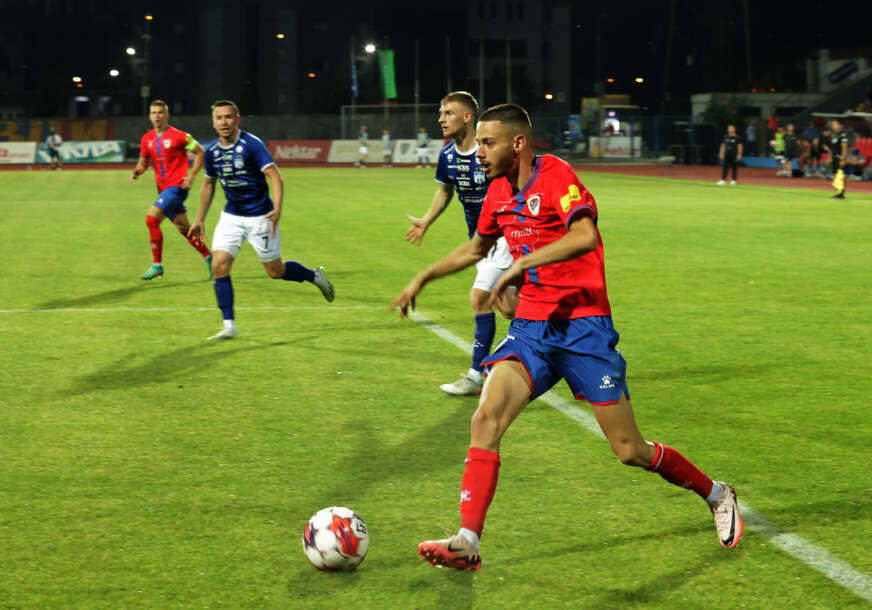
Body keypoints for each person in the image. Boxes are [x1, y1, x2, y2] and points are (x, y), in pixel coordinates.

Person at [392, 103, 743, 571]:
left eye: (488, 143)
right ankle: (467, 540)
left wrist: (521, 263)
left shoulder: (555, 174)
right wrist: (424, 277)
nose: (480, 152)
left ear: (518, 143)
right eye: (479, 143)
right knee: (485, 419)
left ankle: (717, 493)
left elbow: (585, 236)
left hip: (584, 328)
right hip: (532, 329)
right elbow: (476, 247)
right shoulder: (497, 191)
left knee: (629, 451)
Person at [188, 100, 335, 340]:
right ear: (213, 122)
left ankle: (313, 276)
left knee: (275, 271)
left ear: (237, 119)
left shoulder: (252, 145)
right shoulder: (212, 151)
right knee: (219, 265)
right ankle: (229, 325)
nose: (224, 122)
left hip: (260, 217)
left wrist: (277, 208)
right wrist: (199, 219)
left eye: (228, 117)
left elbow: (275, 176)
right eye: (219, 118)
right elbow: (208, 184)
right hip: (231, 216)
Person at [404, 91, 515, 396]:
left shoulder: (488, 149)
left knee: (479, 299)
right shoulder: (447, 156)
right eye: (441, 113)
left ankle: (477, 374)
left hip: (504, 236)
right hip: (478, 241)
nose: (441, 119)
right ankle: (547, 337)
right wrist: (426, 220)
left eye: (448, 113)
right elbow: (445, 191)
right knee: (509, 309)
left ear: (467, 117)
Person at [131, 99, 211, 280]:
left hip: (177, 187)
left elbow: (200, 152)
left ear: (167, 115)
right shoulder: (147, 139)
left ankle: (157, 265)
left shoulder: (179, 136)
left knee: (151, 220)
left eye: (160, 112)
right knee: (184, 229)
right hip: (163, 190)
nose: (157, 116)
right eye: (153, 113)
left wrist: (191, 177)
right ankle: (209, 257)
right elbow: (143, 164)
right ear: (149, 116)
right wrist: (138, 171)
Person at [825, 119, 848, 198]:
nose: (833, 126)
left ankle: (841, 192)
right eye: (833, 125)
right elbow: (832, 148)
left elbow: (844, 147)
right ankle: (839, 191)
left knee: (840, 174)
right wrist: (830, 158)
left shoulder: (842, 135)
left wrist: (842, 159)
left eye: (835, 124)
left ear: (840, 126)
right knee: (836, 174)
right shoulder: (833, 135)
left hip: (839, 157)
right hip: (834, 157)